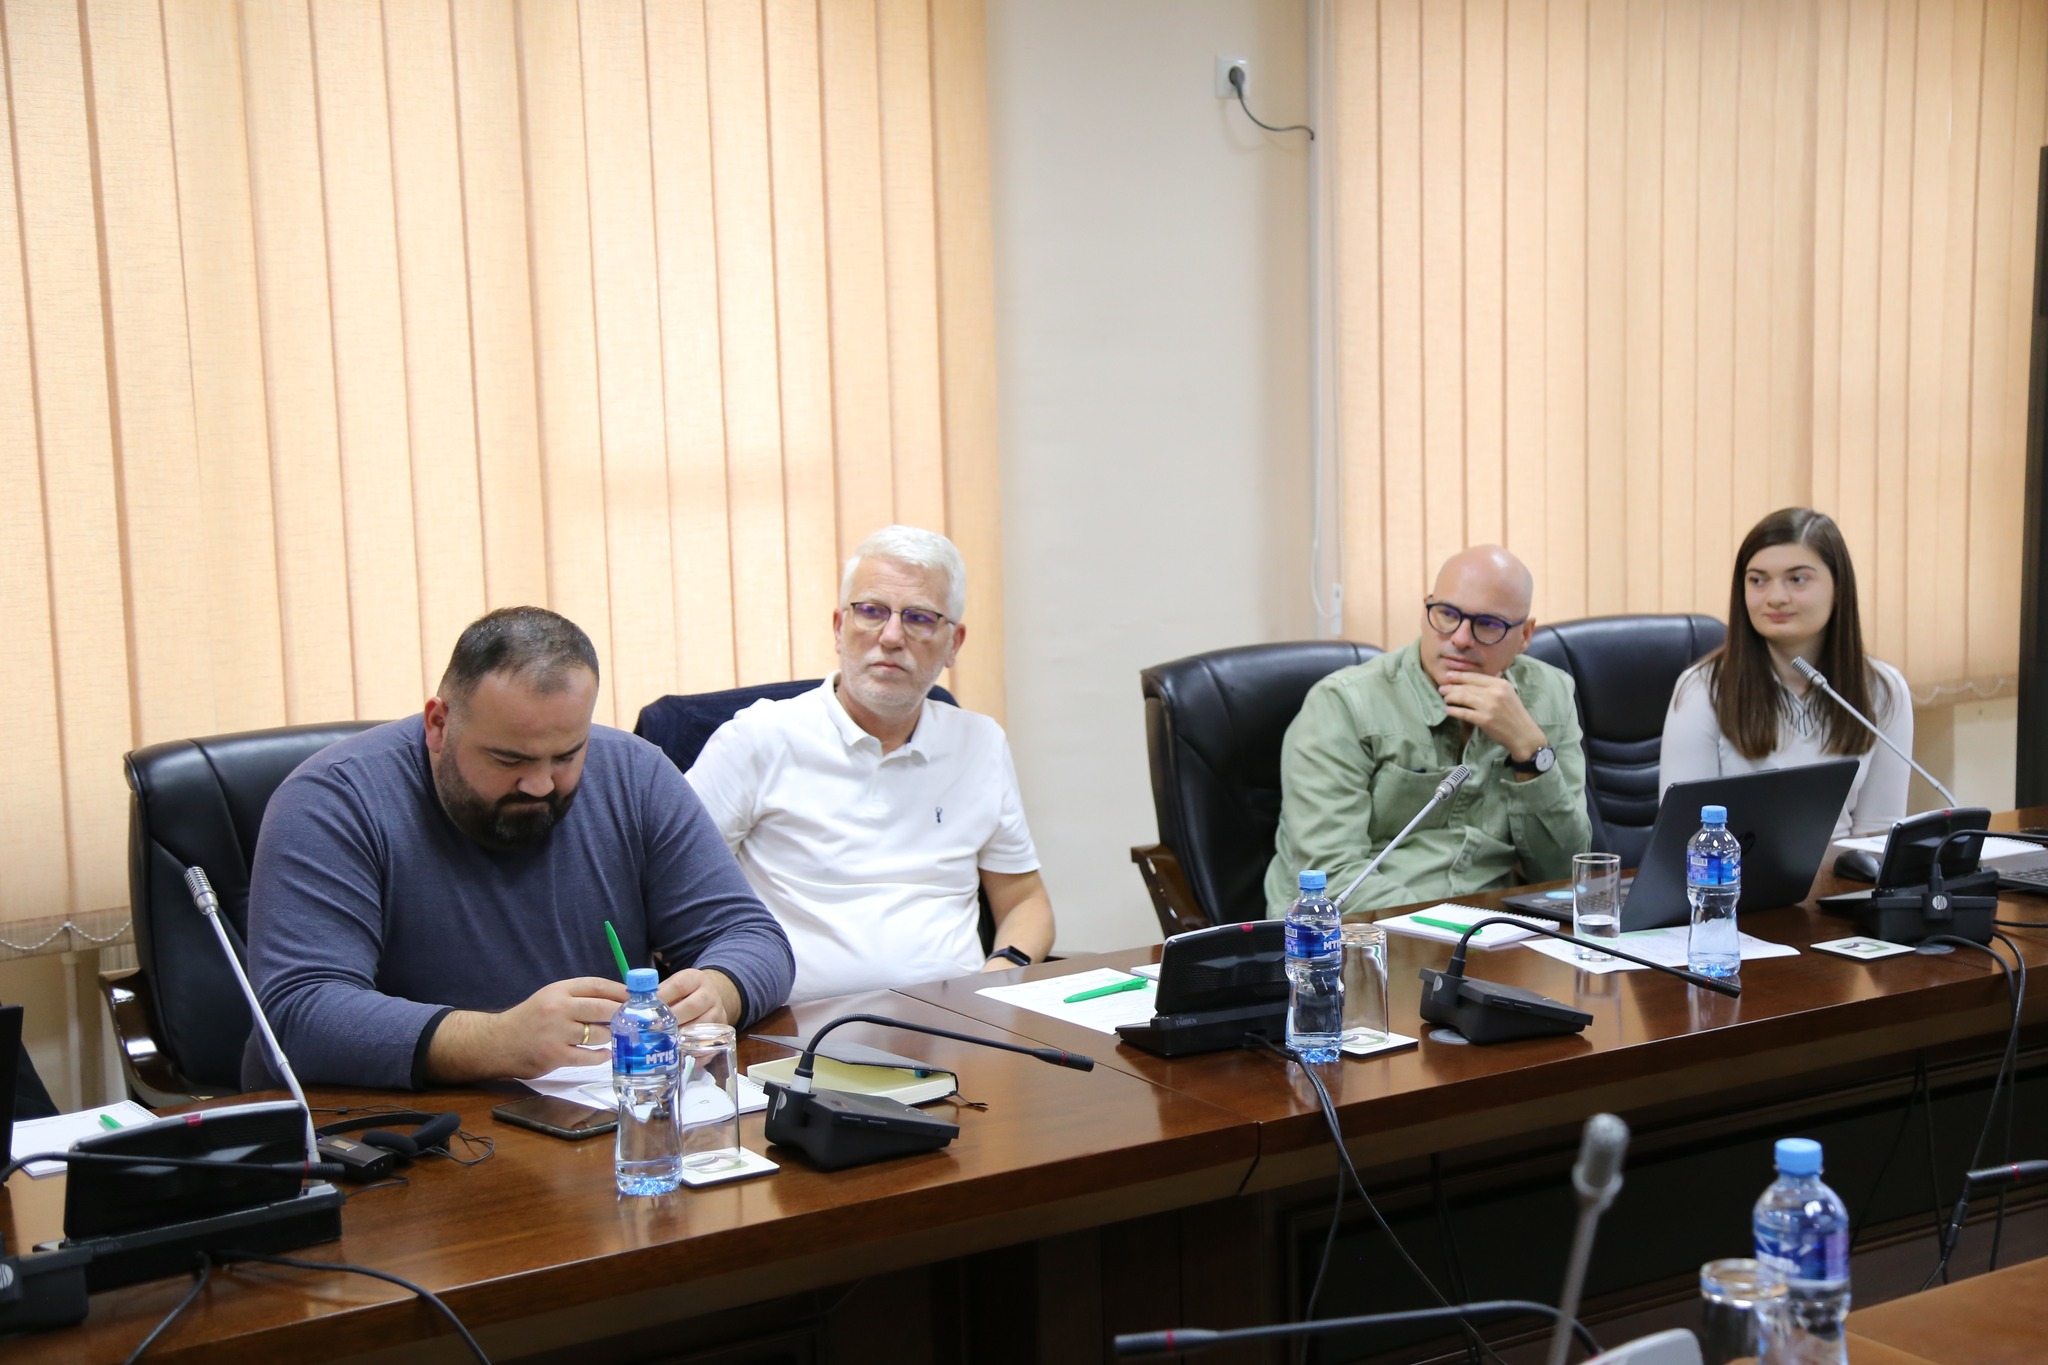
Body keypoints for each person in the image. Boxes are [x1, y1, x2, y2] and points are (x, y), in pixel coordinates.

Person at [244, 607, 793, 1090]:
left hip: (594, 1115)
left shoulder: (634, 774)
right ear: (438, 724)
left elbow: (752, 937)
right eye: (510, 760)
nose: (540, 784)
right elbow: (298, 1013)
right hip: (394, 1131)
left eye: (567, 755)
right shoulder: (332, 800)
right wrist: (496, 1041)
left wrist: (718, 991)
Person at [686, 526, 1055, 1004]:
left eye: (920, 618)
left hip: (956, 1024)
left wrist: (999, 976)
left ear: (954, 643)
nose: (892, 636)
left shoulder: (980, 743)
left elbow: (1025, 900)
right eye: (871, 611)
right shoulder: (756, 738)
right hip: (794, 1026)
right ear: (839, 627)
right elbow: (671, 889)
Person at [1264, 545, 1592, 914]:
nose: (1461, 638)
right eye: (1447, 614)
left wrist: (1531, 755)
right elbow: (1332, 878)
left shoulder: (1550, 694)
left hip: (1496, 928)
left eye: (1488, 624)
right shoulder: (1343, 704)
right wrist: (1454, 929)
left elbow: (1564, 873)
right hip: (1360, 932)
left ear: (1525, 635)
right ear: (1425, 611)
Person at [1659, 507, 1910, 842]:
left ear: (1839, 587)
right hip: (1734, 873)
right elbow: (1684, 837)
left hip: (1845, 874)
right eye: (1758, 580)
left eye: (1797, 579)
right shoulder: (1702, 689)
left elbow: (1878, 837)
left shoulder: (1883, 689)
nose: (1776, 598)